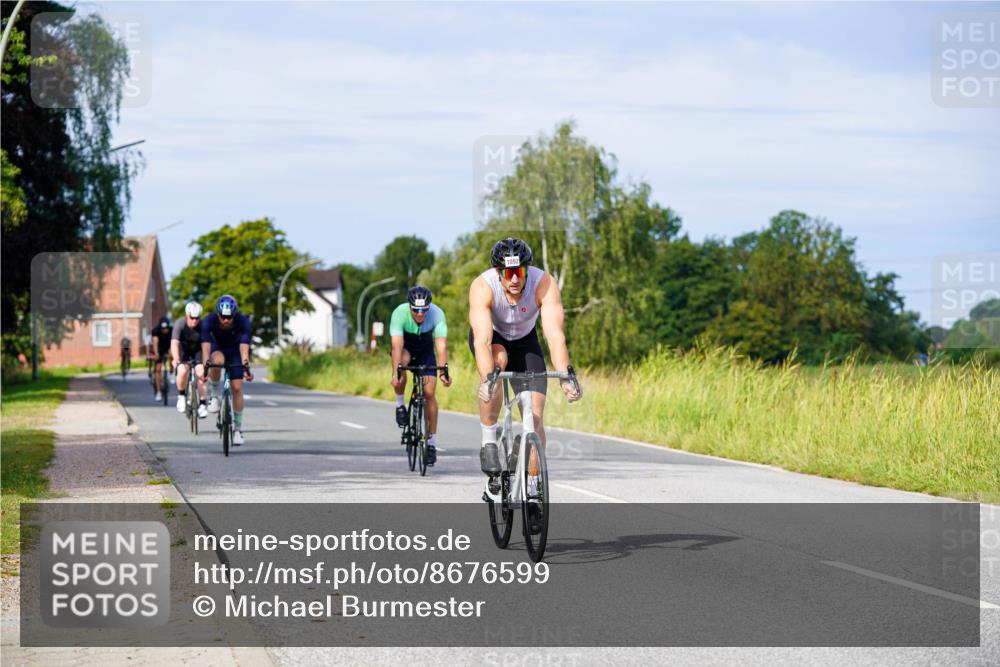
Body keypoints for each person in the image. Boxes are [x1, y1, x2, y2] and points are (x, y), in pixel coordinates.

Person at [468, 237, 582, 479]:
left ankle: (532, 484)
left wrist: (564, 376)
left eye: (519, 271)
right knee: (497, 364)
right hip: (494, 339)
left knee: (535, 416)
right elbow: (482, 341)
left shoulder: (544, 283)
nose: (514, 279)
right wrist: (488, 379)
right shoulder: (483, 286)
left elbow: (554, 334)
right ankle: (489, 440)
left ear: (527, 269)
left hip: (525, 341)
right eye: (508, 273)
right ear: (498, 272)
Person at [389, 285, 451, 465]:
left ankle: (431, 443)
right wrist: (396, 371)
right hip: (406, 347)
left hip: (425, 350)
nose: (420, 314)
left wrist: (444, 369)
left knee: (430, 393)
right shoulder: (399, 313)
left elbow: (441, 345)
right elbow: (396, 347)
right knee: (402, 367)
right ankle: (400, 404)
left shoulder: (437, 313)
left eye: (424, 310)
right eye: (415, 310)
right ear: (409, 306)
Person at [200, 295, 254, 446]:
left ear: (234, 315)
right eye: (223, 317)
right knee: (216, 361)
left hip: (235, 352)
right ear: (218, 314)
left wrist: (246, 367)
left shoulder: (243, 322)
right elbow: (205, 347)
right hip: (218, 349)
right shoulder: (209, 321)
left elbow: (244, 349)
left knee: (237, 388)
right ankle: (215, 397)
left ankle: (238, 430)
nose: (226, 320)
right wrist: (205, 367)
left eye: (229, 318)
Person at [172, 301, 208, 417]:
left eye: (197, 318)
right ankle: (181, 395)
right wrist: (176, 359)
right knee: (182, 371)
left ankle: (202, 404)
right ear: (187, 315)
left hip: (198, 351)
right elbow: (174, 343)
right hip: (184, 351)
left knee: (202, 373)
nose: (194, 321)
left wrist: (206, 362)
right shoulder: (180, 324)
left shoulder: (203, 326)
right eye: (192, 318)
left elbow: (206, 345)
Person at [150, 317, 173, 401]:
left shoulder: (172, 330)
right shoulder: (156, 330)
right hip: (159, 349)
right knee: (158, 370)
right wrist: (156, 353)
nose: (165, 330)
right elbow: (155, 343)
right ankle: (159, 392)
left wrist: (171, 352)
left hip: (168, 347)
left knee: (172, 355)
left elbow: (173, 342)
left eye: (166, 328)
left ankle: (171, 371)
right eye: (163, 328)